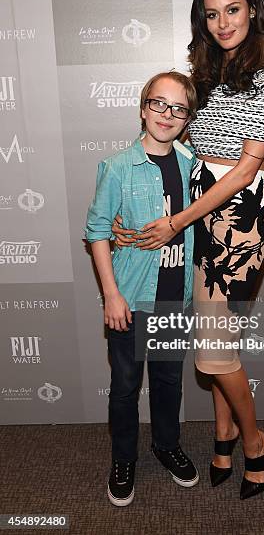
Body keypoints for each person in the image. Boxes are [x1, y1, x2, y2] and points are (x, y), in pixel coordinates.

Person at [113, 0, 264, 501]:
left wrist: (180, 219)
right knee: (217, 336)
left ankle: (255, 441)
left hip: (234, 222)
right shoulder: (205, 71)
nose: (223, 23)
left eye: (233, 10)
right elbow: (189, 147)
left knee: (213, 353)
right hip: (203, 211)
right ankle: (221, 435)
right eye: (212, 13)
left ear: (254, 9)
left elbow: (245, 170)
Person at [85, 72, 200, 507]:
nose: (167, 115)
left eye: (178, 108)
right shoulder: (117, 167)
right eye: (158, 103)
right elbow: (97, 231)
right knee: (125, 387)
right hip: (130, 300)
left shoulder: (194, 166)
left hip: (176, 296)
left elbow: (227, 198)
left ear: (188, 117)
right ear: (142, 108)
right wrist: (111, 295)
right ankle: (124, 458)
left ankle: (166, 446)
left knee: (169, 381)